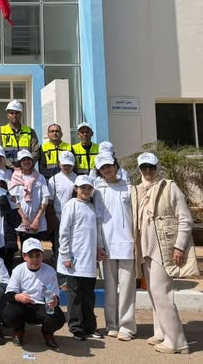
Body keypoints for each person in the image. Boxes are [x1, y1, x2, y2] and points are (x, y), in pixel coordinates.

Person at [130, 152, 198, 354]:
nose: (148, 171)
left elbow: (185, 219)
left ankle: (177, 342)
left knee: (162, 293)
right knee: (153, 292)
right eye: (144, 167)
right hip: (146, 248)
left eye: (151, 167)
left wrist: (179, 246)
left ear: (157, 167)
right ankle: (161, 333)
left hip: (164, 248)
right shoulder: (139, 190)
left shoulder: (169, 186)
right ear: (139, 169)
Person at [93, 153, 136, 341]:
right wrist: (99, 245)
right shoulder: (98, 190)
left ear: (116, 166)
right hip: (107, 246)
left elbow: (136, 217)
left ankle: (127, 326)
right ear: (99, 171)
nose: (107, 170)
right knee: (110, 287)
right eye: (103, 168)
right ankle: (112, 324)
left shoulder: (129, 188)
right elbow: (97, 219)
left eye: (109, 166)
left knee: (127, 288)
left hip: (127, 244)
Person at [57, 175, 106, 341]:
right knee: (75, 296)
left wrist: (99, 248)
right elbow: (64, 232)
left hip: (89, 260)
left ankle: (90, 327)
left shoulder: (91, 207)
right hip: (74, 260)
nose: (86, 190)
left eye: (89, 188)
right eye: (83, 187)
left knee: (88, 296)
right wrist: (65, 255)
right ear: (76, 189)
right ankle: (76, 328)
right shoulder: (71, 205)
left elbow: (96, 231)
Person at [3, 238, 65, 349]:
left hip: (42, 306)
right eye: (31, 256)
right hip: (23, 305)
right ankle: (19, 330)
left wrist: (55, 300)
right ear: (24, 256)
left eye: (38, 256)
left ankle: (47, 333)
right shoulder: (18, 270)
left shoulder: (50, 271)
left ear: (42, 255)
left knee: (58, 317)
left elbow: (55, 294)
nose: (35, 259)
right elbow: (8, 294)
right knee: (8, 313)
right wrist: (18, 296)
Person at [8, 149, 50, 244]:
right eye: (23, 160)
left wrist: (37, 219)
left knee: (37, 247)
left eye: (28, 159)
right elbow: (14, 200)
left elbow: (45, 199)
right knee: (24, 247)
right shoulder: (15, 178)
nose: (26, 162)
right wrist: (24, 219)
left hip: (38, 222)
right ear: (20, 162)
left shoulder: (40, 177)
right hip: (23, 221)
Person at [47, 150, 77, 261]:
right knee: (60, 248)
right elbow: (50, 201)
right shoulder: (54, 180)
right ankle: (59, 269)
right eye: (64, 165)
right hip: (59, 219)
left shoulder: (78, 179)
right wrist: (54, 219)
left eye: (69, 165)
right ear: (59, 164)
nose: (66, 167)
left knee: (74, 247)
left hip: (75, 220)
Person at [0, 100, 39, 170]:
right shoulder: (0, 132)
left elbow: (35, 151)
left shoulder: (30, 131)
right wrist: (13, 168)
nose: (14, 115)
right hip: (7, 170)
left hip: (27, 170)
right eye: (11, 113)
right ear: (7, 115)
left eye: (17, 113)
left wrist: (27, 166)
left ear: (21, 114)